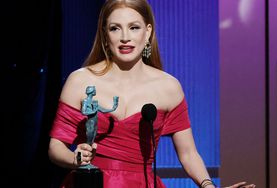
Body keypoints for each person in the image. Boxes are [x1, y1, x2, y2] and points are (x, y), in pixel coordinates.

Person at [48, 0, 256, 188]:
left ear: (147, 32)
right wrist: (76, 159)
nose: (125, 38)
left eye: (134, 27)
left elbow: (188, 153)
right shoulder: (81, 81)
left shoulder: (168, 87)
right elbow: (56, 147)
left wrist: (209, 186)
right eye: (115, 28)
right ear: (105, 33)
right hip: (89, 183)